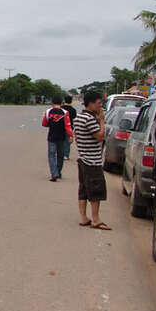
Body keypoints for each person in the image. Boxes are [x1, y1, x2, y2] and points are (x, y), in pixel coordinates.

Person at [73, 91, 111, 230]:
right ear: (91, 103)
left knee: (83, 189)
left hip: (83, 158)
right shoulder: (89, 119)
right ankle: (95, 219)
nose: (100, 106)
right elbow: (100, 136)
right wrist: (102, 120)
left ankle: (83, 217)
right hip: (92, 161)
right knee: (96, 191)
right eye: (99, 103)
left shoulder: (78, 118)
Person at [42, 95, 73, 182]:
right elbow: (67, 126)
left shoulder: (48, 112)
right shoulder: (65, 112)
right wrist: (71, 136)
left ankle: (53, 173)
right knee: (60, 155)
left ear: (52, 102)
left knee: (51, 155)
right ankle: (58, 172)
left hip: (51, 137)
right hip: (62, 137)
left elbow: (44, 123)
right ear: (61, 103)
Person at [61, 94, 78, 160]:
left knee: (60, 141)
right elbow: (74, 118)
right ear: (71, 101)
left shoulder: (61, 108)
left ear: (64, 100)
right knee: (67, 142)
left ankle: (60, 153)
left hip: (60, 127)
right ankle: (66, 155)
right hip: (69, 127)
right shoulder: (73, 110)